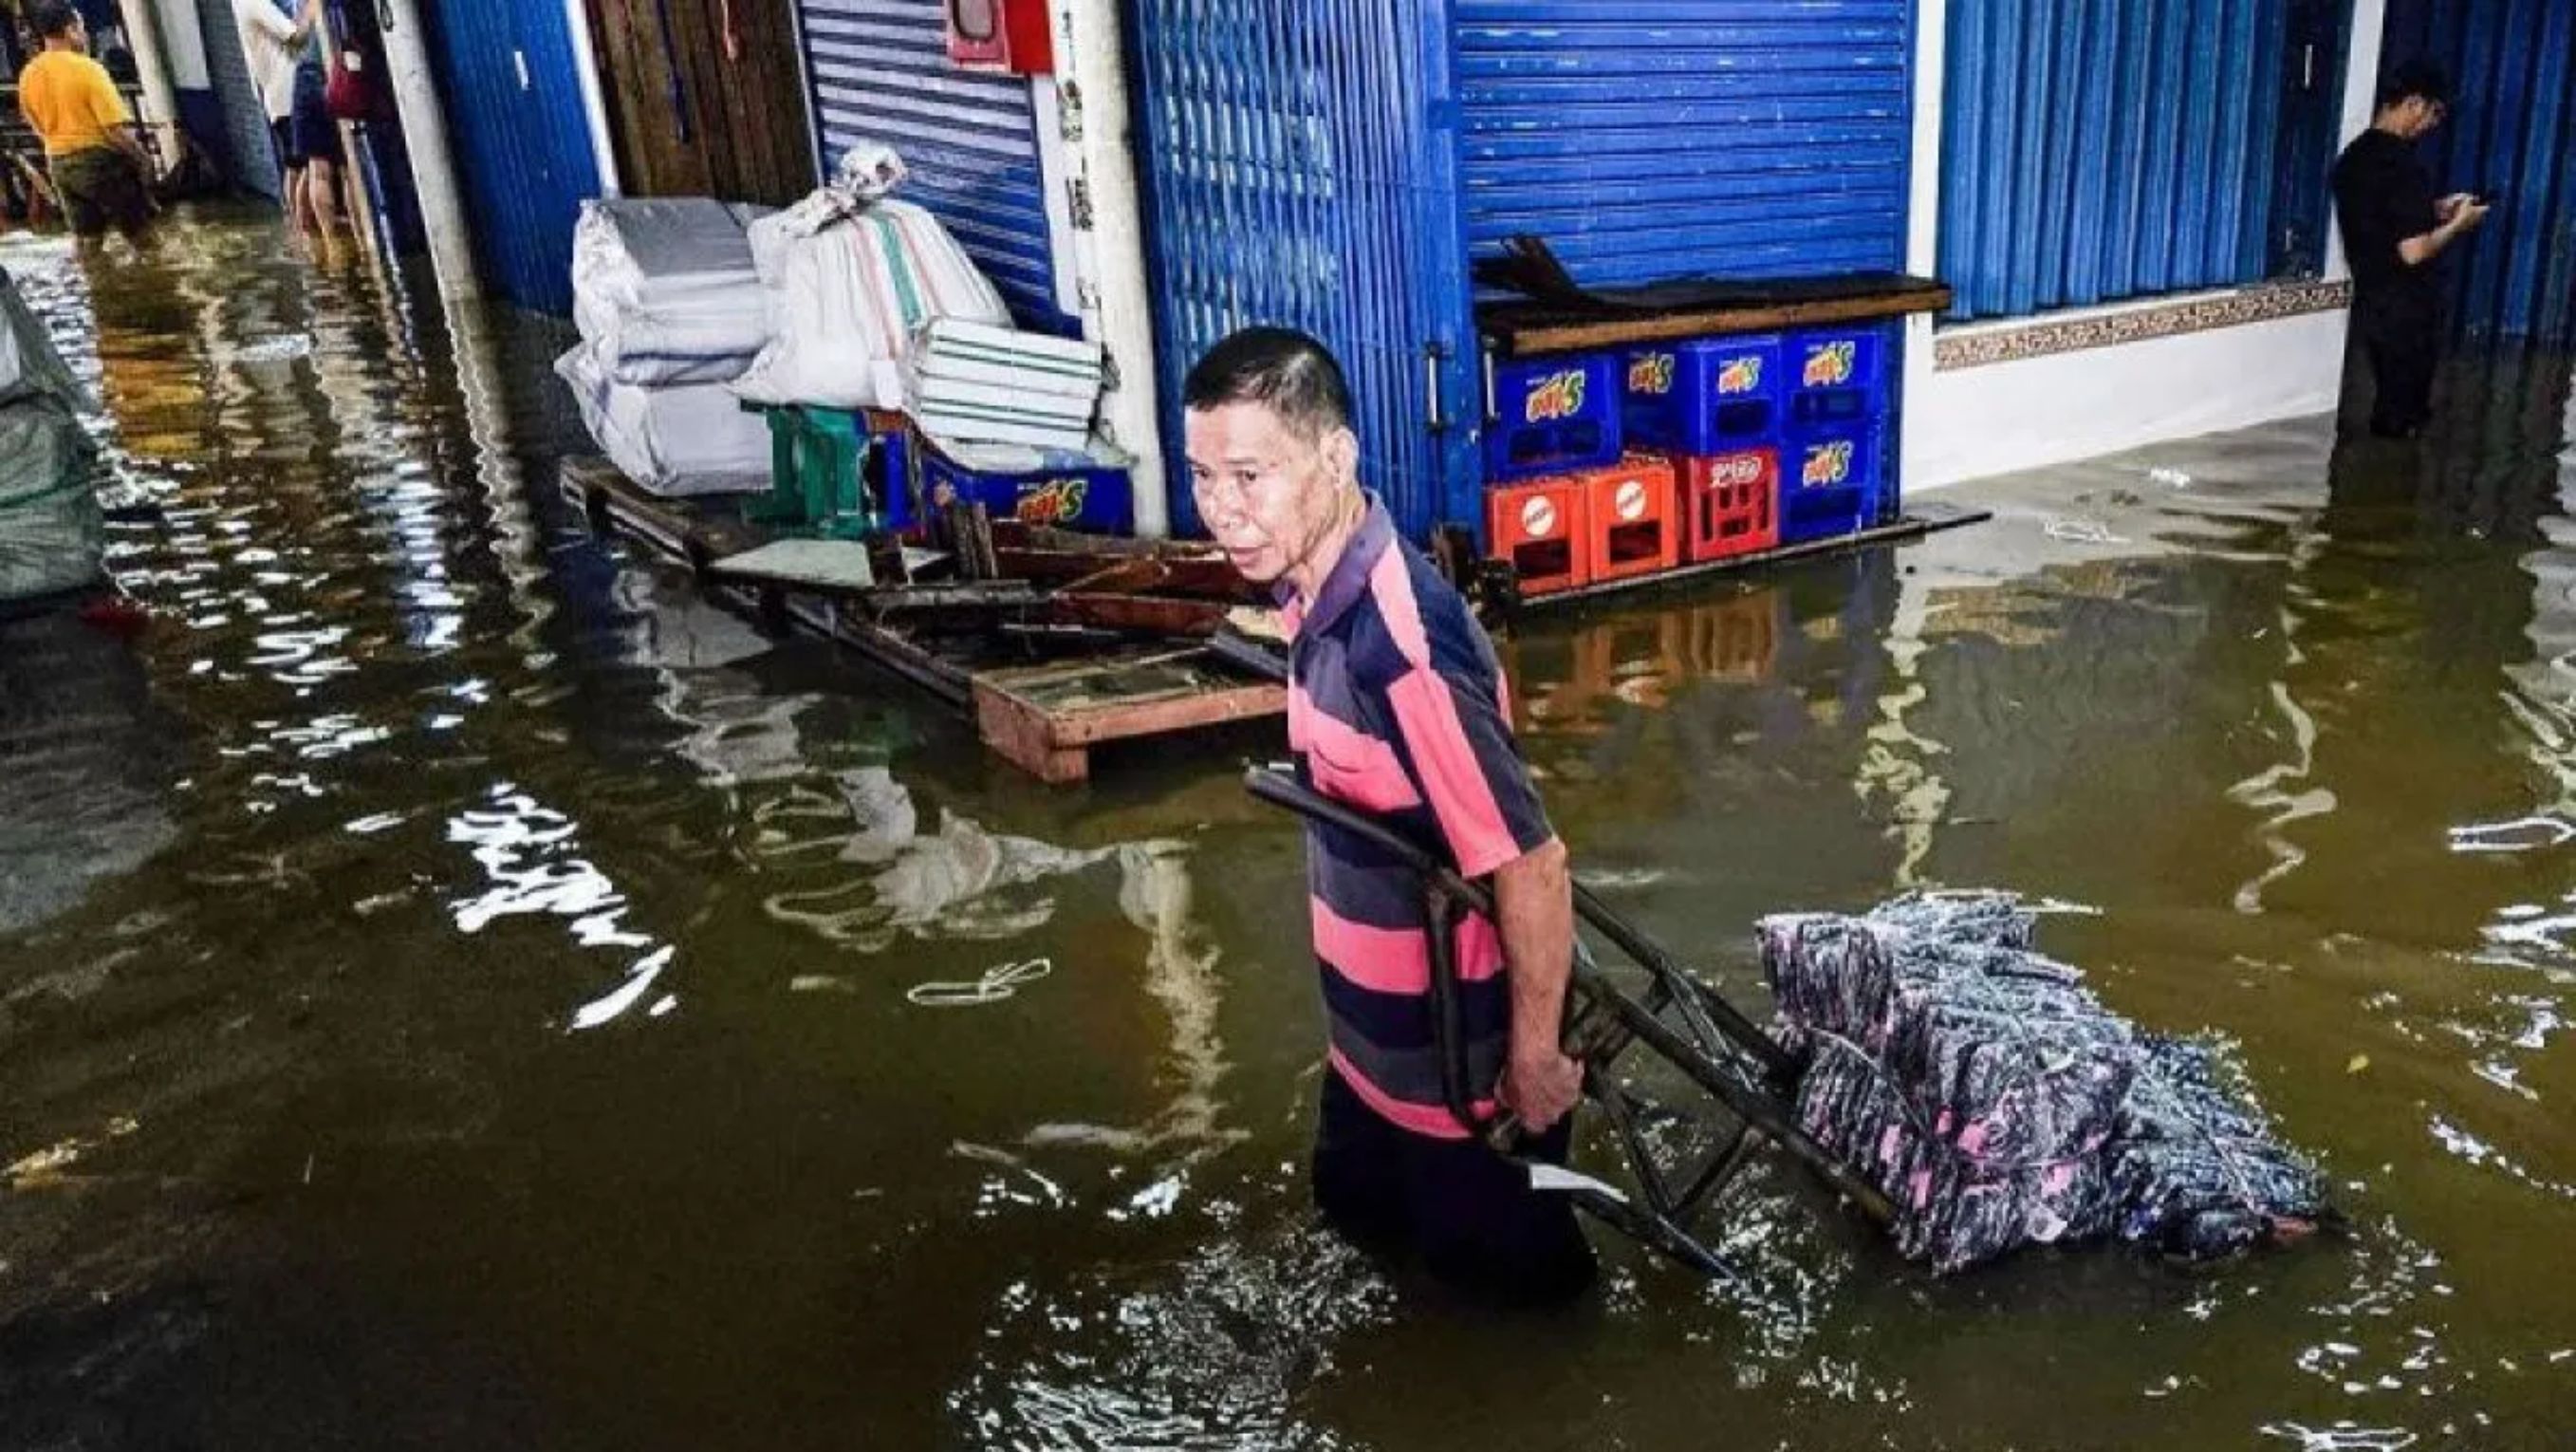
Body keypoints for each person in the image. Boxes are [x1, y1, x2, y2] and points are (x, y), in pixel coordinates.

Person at [1184, 326, 1595, 1306]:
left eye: (1251, 475)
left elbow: (1532, 864)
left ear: (1335, 457)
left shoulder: (1397, 648)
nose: (1222, 511)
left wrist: (1534, 1063)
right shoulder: (1306, 594)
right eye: (1204, 477)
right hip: (1373, 1056)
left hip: (1465, 1087)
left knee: (1519, 1319)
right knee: (1357, 1226)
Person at [2331, 61, 2490, 439]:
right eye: (2435, 114)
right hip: (2407, 312)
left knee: (2388, 404)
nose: (2433, 125)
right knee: (2405, 416)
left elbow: (2381, 220)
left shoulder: (2352, 159)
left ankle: (2367, 486)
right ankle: (2390, 487)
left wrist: (2434, 209)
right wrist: (2457, 225)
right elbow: (2413, 252)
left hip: (2373, 304)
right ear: (2414, 103)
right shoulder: (2402, 165)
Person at [15, 0, 157, 247]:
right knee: (142, 237)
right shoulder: (88, 69)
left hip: (59, 166)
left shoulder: (28, 74)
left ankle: (95, 284)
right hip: (99, 163)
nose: (84, 34)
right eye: (81, 27)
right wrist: (142, 158)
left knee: (88, 243)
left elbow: (33, 123)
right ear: (70, 29)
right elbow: (115, 131)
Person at [233, 0, 319, 228]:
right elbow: (296, 36)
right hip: (289, 95)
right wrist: (313, 6)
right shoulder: (256, 3)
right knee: (308, 165)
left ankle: (296, 226)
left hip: (278, 97)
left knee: (295, 164)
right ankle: (304, 230)